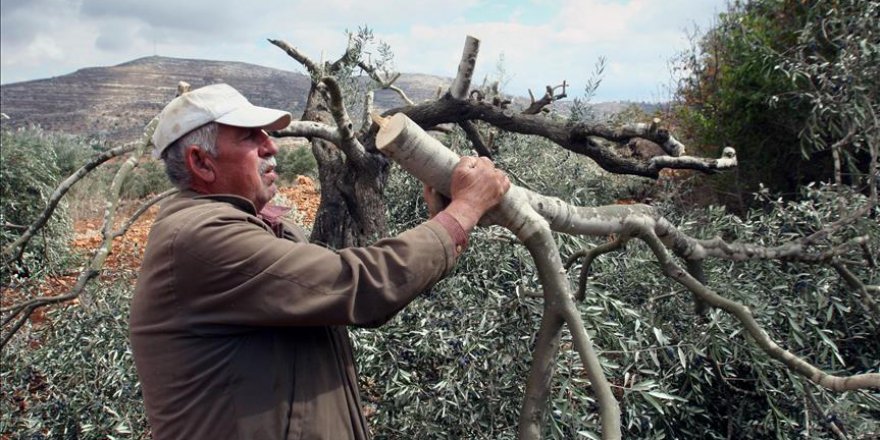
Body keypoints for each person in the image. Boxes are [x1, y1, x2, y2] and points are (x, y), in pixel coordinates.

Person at [129, 83, 510, 439]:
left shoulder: (260, 225)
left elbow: (345, 290)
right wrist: (462, 212)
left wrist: (443, 225)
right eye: (250, 137)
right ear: (201, 162)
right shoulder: (200, 237)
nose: (271, 147)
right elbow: (356, 285)